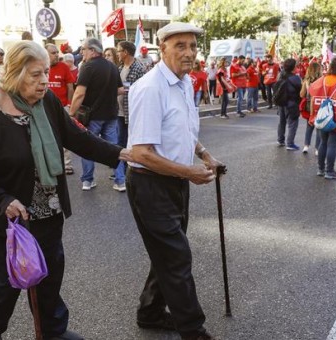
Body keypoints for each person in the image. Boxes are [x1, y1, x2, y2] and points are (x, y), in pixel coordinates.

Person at [0, 41, 131, 340]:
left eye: (46, 73)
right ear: (14, 73)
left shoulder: (47, 101)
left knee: (49, 279)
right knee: (0, 286)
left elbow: (77, 137)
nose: (44, 82)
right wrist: (1, 199)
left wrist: (121, 154)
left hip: (46, 211)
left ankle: (52, 331)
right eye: (35, 75)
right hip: (5, 219)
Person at [127, 21, 223, 340]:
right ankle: (192, 330)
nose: (189, 52)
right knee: (177, 256)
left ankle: (150, 312)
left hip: (176, 182)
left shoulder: (185, 83)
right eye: (180, 45)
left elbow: (182, 131)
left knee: (166, 253)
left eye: (193, 46)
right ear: (162, 48)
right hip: (150, 184)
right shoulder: (150, 87)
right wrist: (189, 173)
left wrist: (205, 155)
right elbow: (141, 153)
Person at [70, 38, 124, 191]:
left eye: (84, 49)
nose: (81, 52)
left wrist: (71, 113)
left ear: (92, 51)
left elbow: (79, 93)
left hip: (92, 116)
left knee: (87, 147)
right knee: (114, 148)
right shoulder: (113, 67)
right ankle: (120, 181)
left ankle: (88, 180)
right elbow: (120, 90)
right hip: (111, 114)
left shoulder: (88, 67)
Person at [114, 41, 147, 192]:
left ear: (126, 52)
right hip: (120, 112)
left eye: (119, 51)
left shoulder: (138, 68)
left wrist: (120, 89)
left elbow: (139, 88)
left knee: (130, 142)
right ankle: (120, 171)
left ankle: (131, 172)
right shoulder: (120, 67)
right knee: (120, 142)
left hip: (131, 112)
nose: (117, 53)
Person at [45, 44, 77, 175]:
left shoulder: (63, 67)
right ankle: (50, 164)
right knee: (48, 136)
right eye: (53, 53)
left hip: (62, 107)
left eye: (57, 52)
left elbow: (70, 87)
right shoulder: (41, 67)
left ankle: (67, 164)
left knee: (64, 134)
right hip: (45, 108)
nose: (57, 55)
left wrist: (69, 105)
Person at [276, 58, 302, 150]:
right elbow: (301, 92)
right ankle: (290, 143)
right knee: (292, 123)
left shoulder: (280, 75)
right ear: (293, 67)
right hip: (291, 103)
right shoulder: (295, 78)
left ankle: (280, 139)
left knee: (282, 121)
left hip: (280, 102)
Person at [300, 61, 322, 155]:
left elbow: (301, 95)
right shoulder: (322, 80)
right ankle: (317, 149)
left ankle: (306, 146)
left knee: (309, 126)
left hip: (309, 106)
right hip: (320, 106)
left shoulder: (306, 81)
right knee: (319, 128)